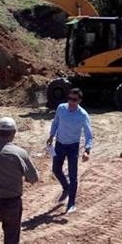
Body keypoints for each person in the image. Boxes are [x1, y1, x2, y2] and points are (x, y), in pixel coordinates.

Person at [47, 87, 93, 215]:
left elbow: (89, 134)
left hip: (73, 146)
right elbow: (55, 122)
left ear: (79, 101)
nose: (71, 102)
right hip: (60, 144)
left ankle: (71, 203)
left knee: (73, 175)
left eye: (74, 99)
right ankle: (65, 187)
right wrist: (51, 136)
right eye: (69, 98)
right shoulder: (61, 108)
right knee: (56, 169)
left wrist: (87, 150)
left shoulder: (83, 115)